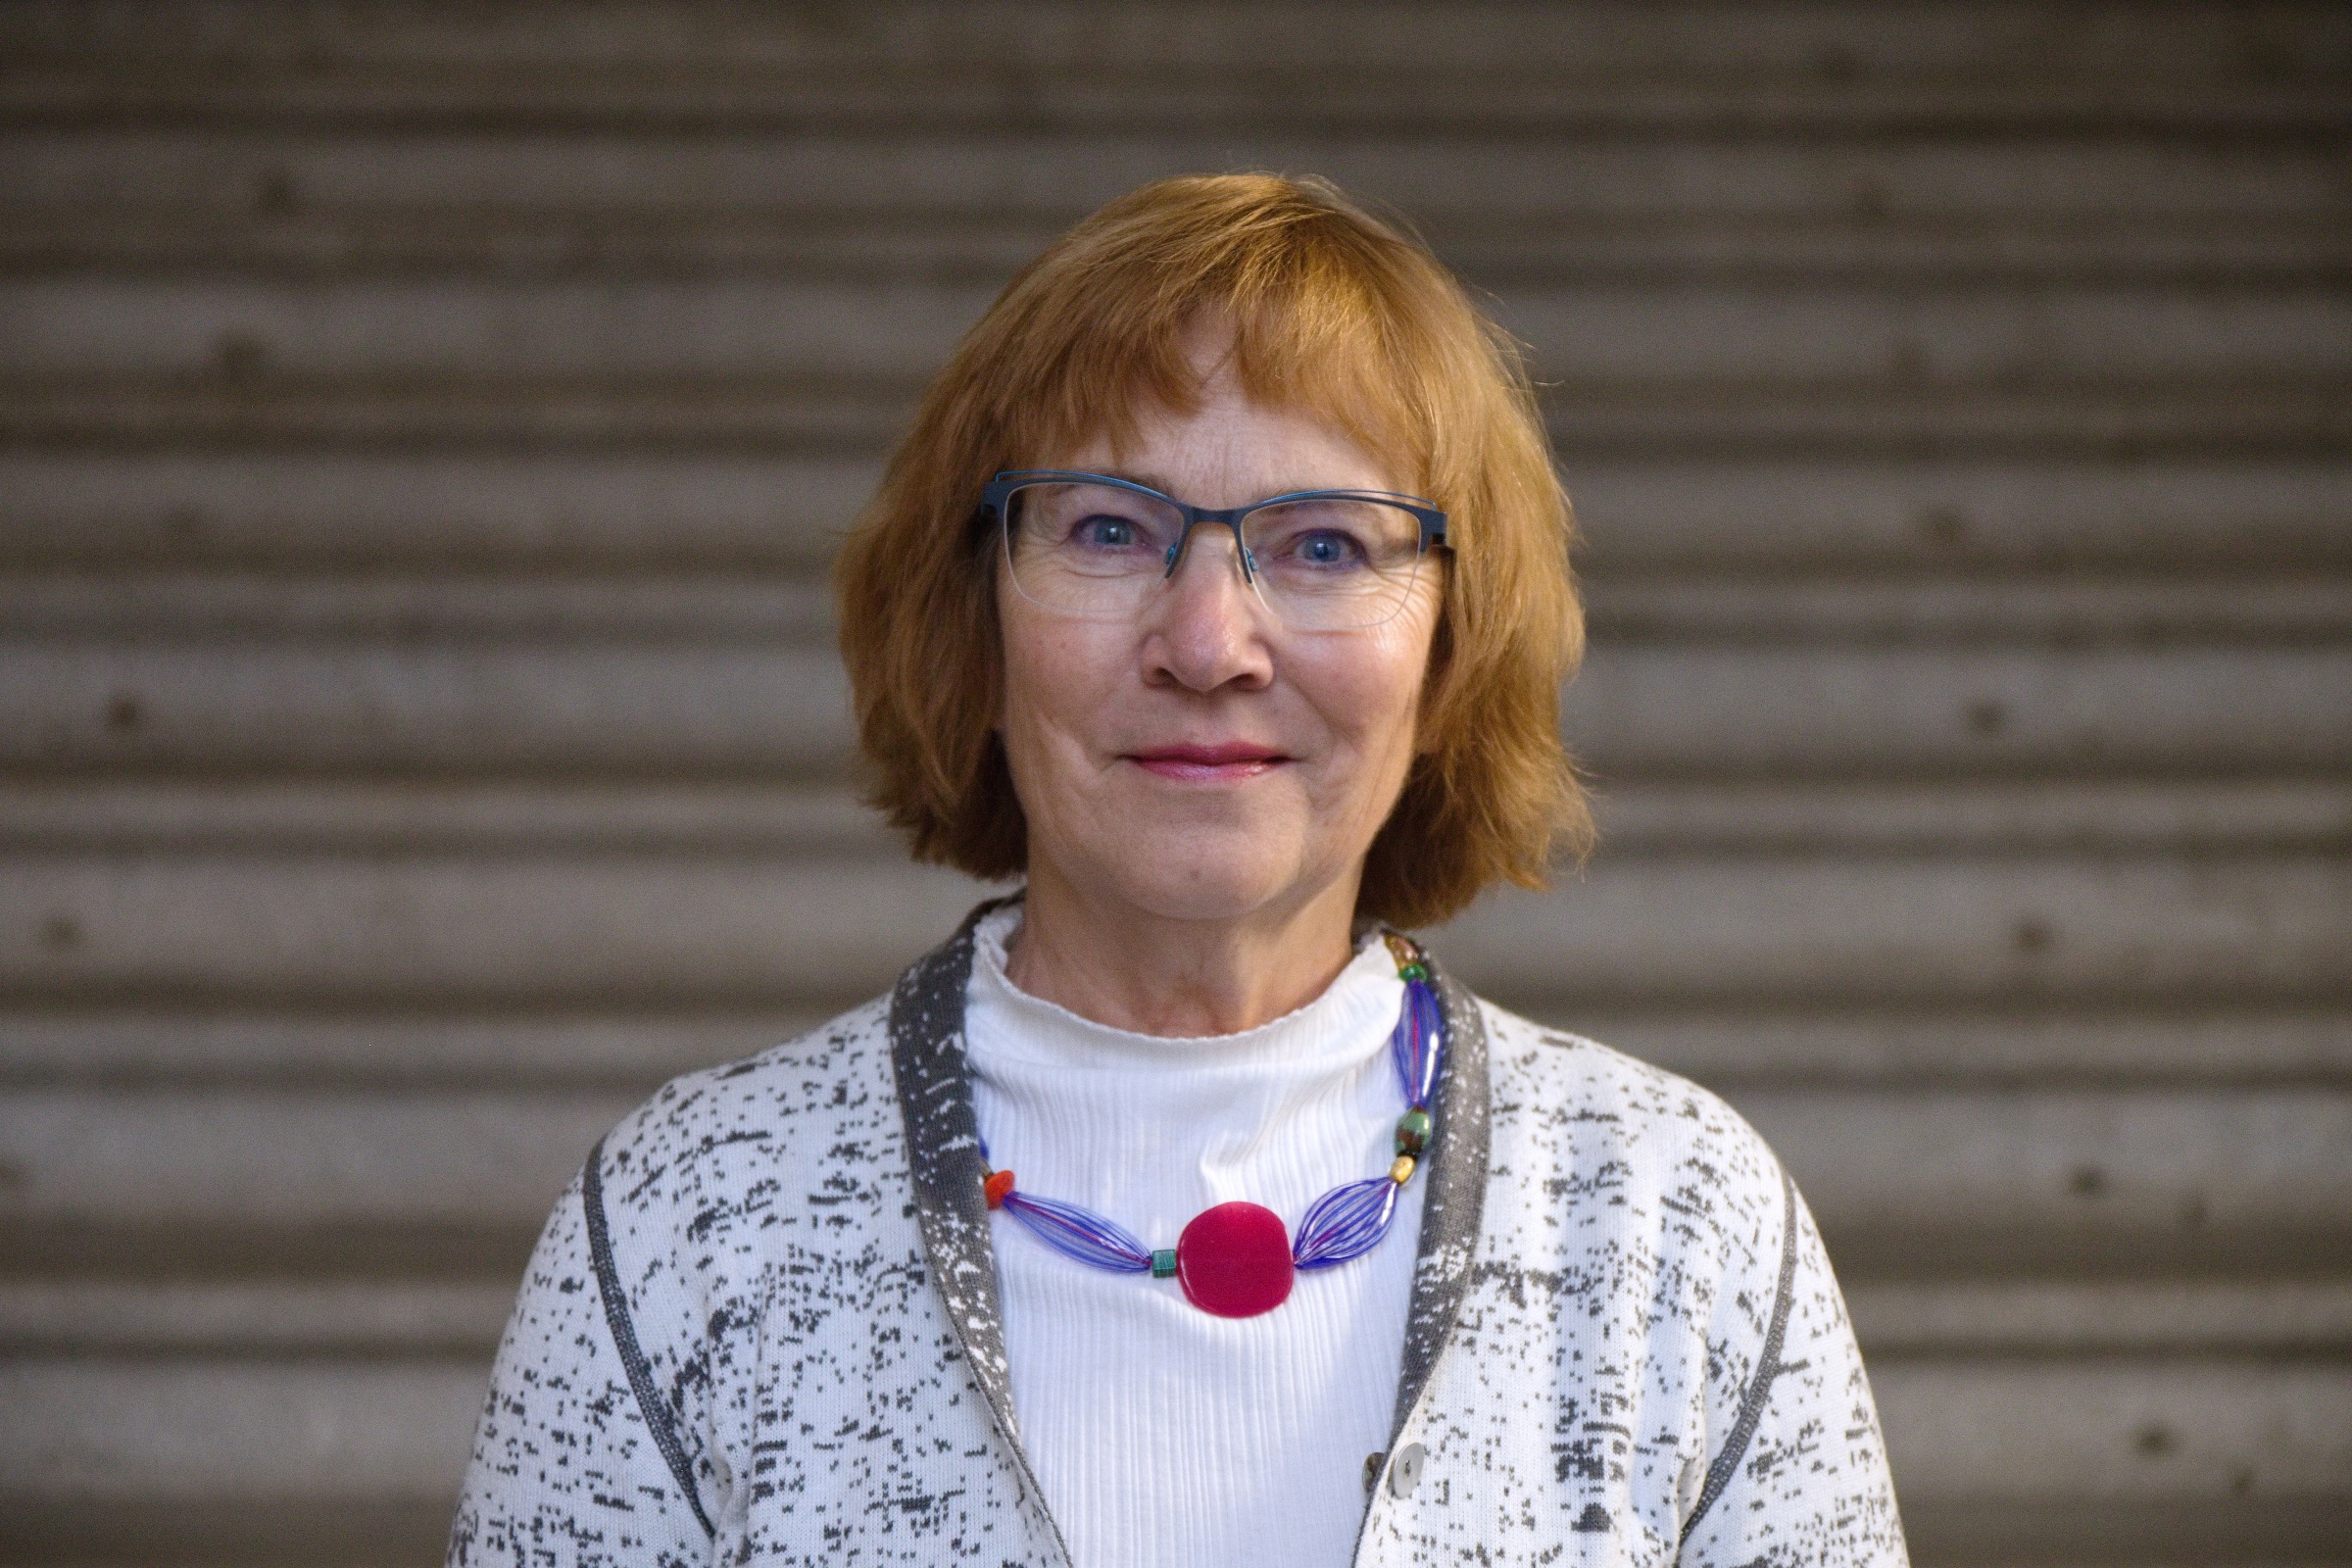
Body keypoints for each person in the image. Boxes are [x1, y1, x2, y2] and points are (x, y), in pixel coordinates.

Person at [450, 173, 1906, 1567]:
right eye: (1108, 528)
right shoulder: (690, 1224)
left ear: (1453, 652)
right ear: (975, 621)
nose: (1209, 644)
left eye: (1324, 544)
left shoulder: (1673, 1224)